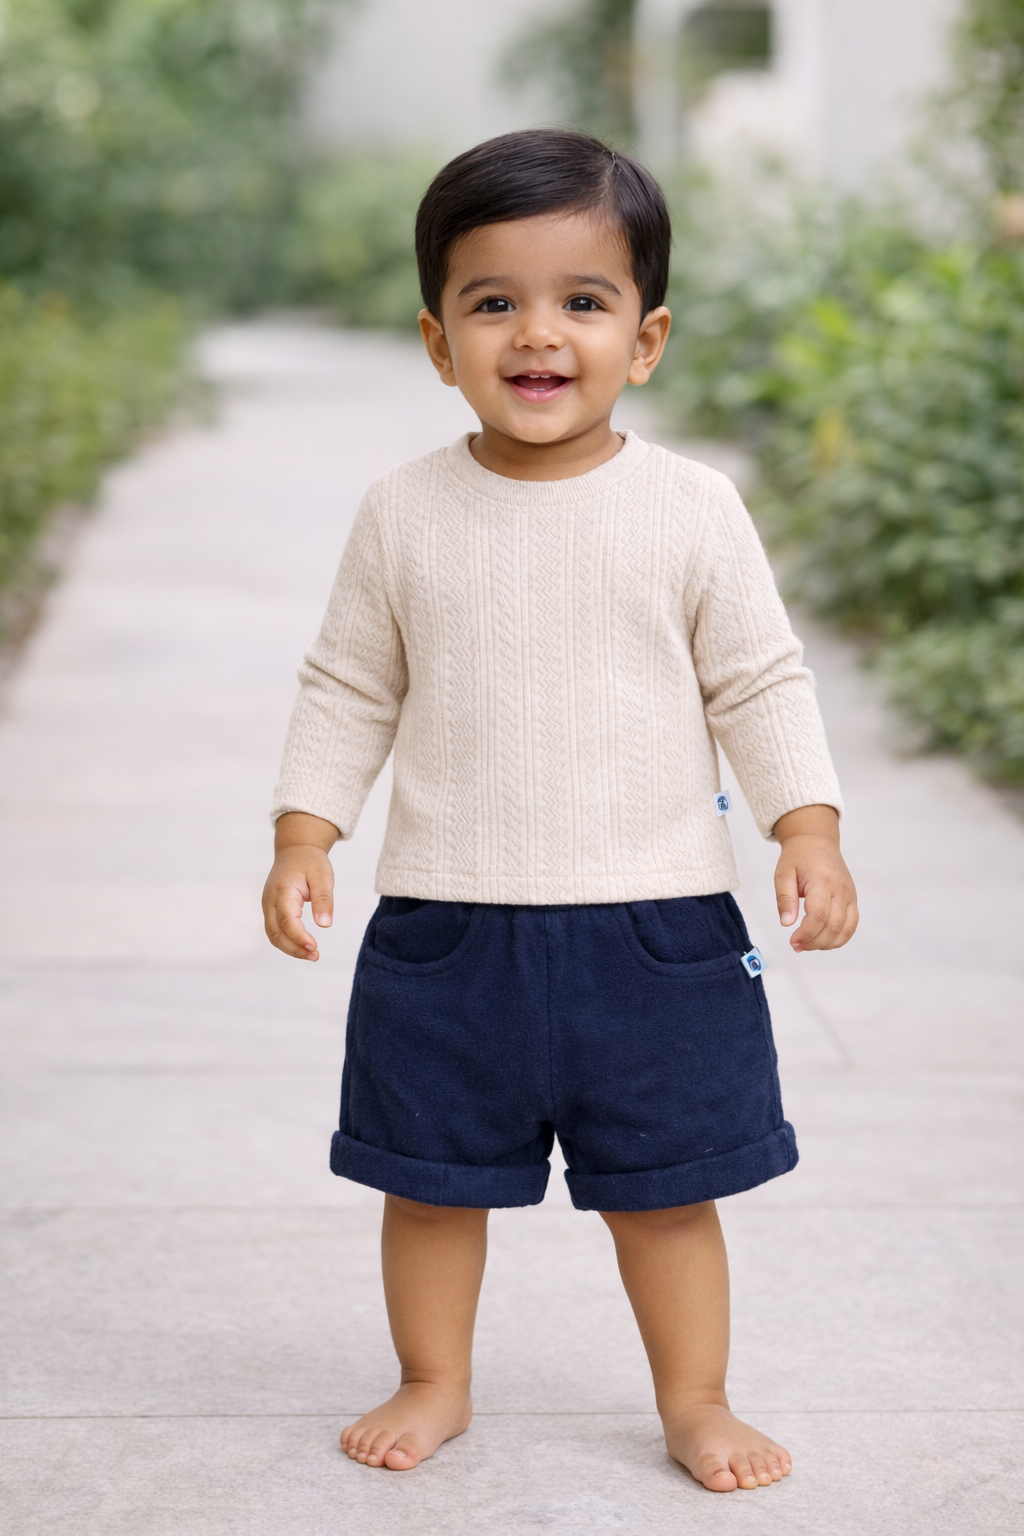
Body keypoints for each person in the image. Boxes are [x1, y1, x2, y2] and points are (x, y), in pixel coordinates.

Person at [262, 128, 858, 1492]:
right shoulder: (404, 515)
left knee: (667, 1192)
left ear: (644, 340)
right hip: (445, 932)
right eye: (495, 302)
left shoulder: (691, 510)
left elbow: (759, 677)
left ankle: (697, 1400)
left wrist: (804, 827)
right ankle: (434, 1376)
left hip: (656, 934)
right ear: (436, 338)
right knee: (427, 1182)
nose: (539, 334)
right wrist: (309, 832)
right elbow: (348, 681)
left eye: (582, 301)